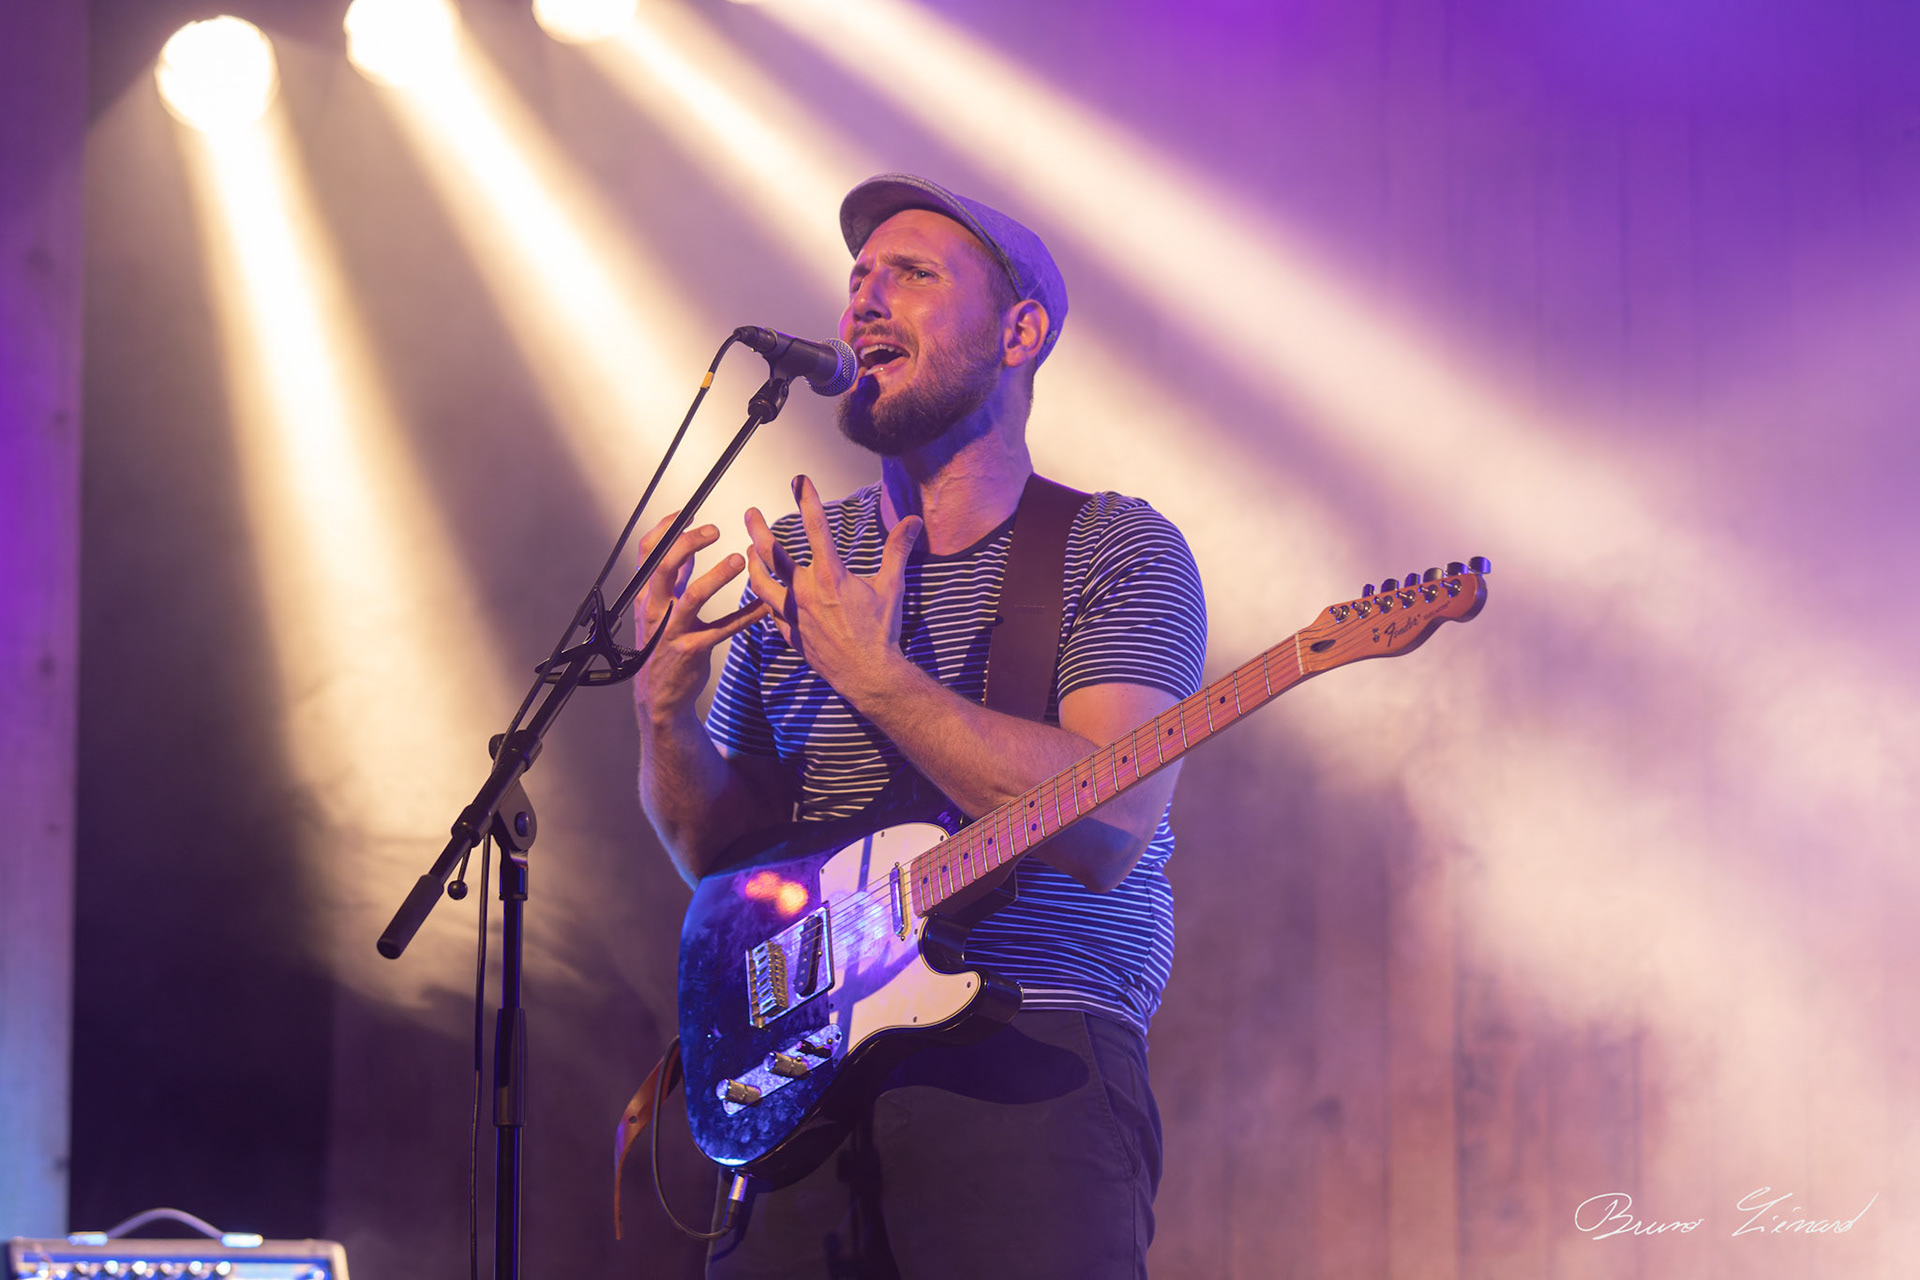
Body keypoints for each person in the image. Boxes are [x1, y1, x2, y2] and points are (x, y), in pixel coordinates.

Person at [631, 174, 1207, 1279]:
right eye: (856, 279)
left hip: (1026, 1054)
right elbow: (717, 857)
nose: (862, 300)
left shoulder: (1115, 549)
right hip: (799, 1081)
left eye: (911, 274)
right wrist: (664, 712)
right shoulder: (801, 561)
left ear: (1020, 331)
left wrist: (877, 675)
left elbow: (1111, 819)